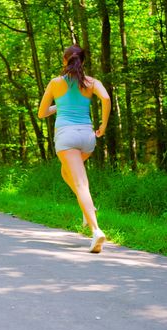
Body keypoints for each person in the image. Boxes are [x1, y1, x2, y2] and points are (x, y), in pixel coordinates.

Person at [38, 44, 111, 253]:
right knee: (65, 172)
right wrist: (103, 126)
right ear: (84, 61)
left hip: (67, 137)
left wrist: (58, 106)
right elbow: (105, 99)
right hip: (87, 137)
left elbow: (42, 113)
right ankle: (89, 207)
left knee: (81, 184)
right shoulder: (91, 82)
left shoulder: (55, 83)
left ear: (64, 60)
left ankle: (96, 229)